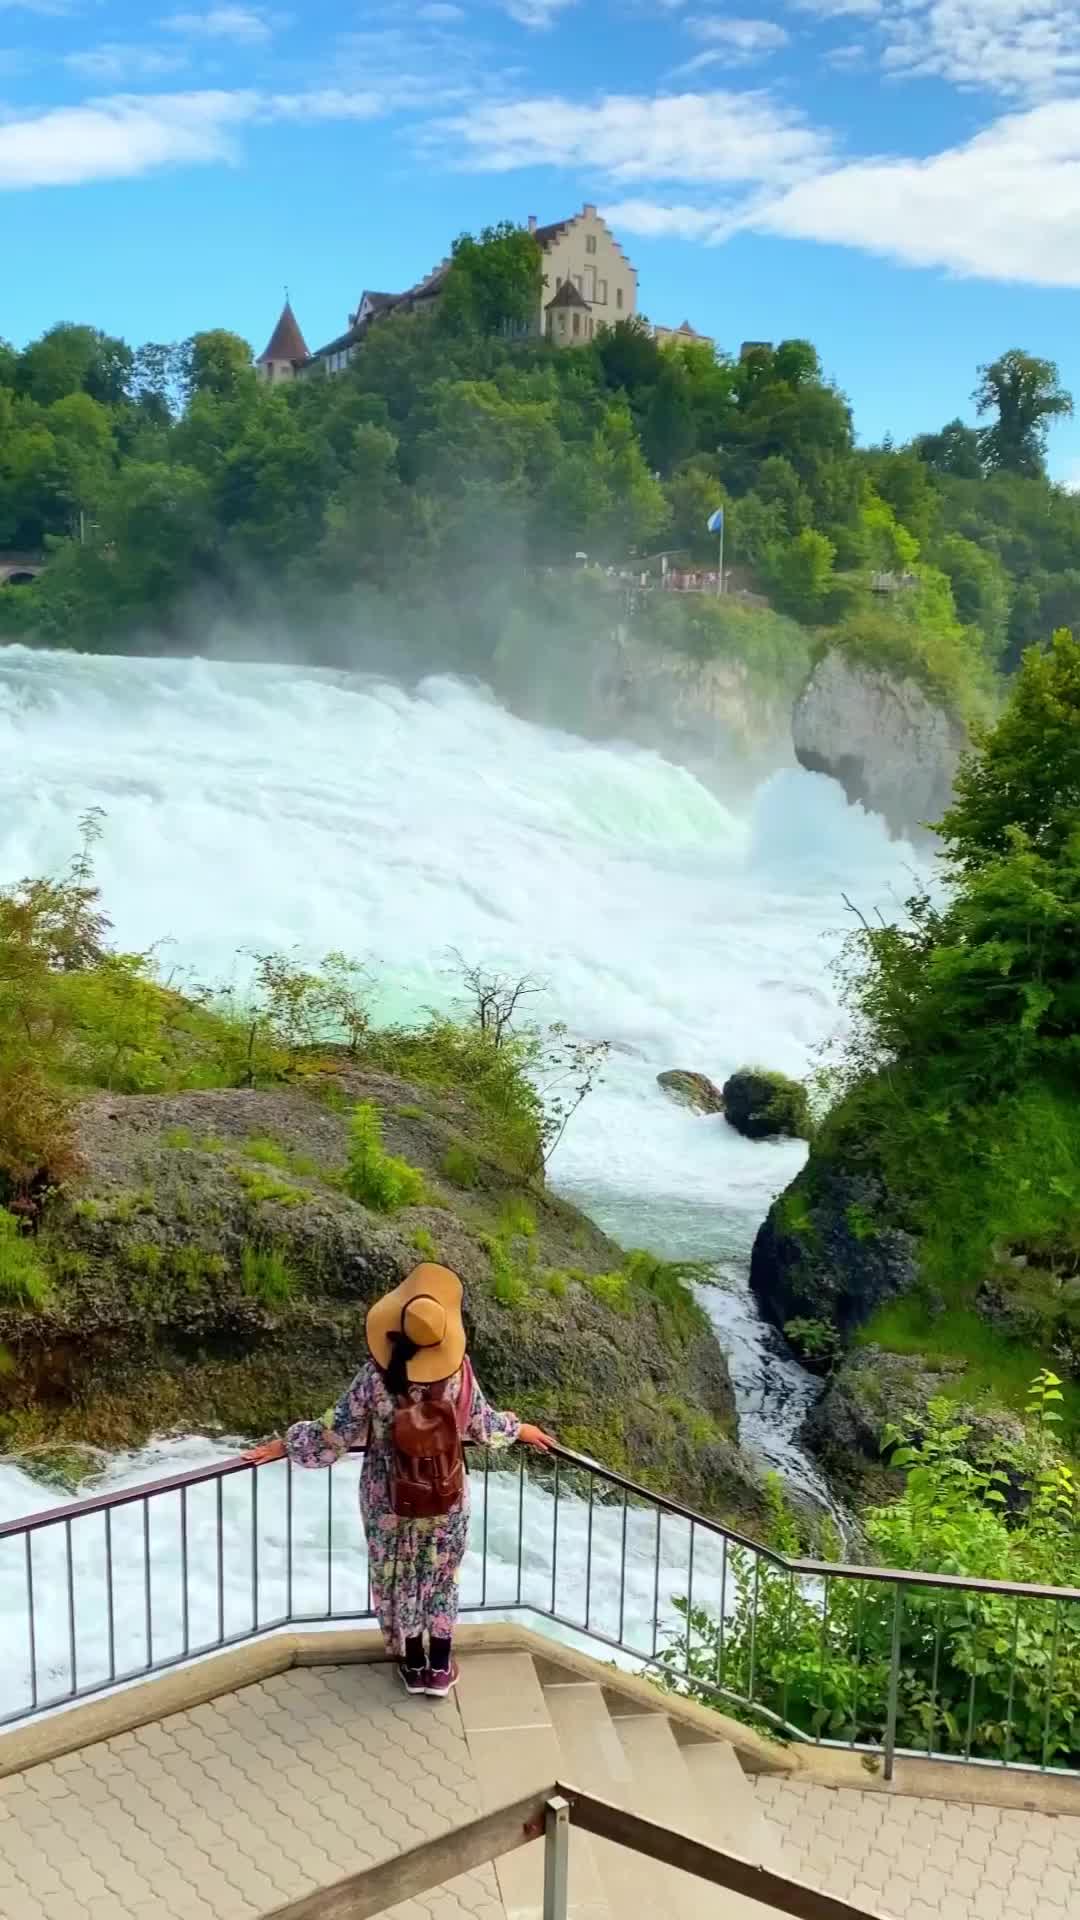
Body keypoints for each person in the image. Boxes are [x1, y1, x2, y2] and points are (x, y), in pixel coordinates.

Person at [244, 1263, 554, 1698]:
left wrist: (286, 1445)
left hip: (388, 1497)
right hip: (445, 1493)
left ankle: (412, 1666)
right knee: (442, 1577)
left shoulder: (376, 1375)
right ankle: (440, 1670)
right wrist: (522, 1430)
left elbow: (335, 1431)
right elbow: (483, 1423)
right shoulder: (458, 1373)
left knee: (398, 1576)